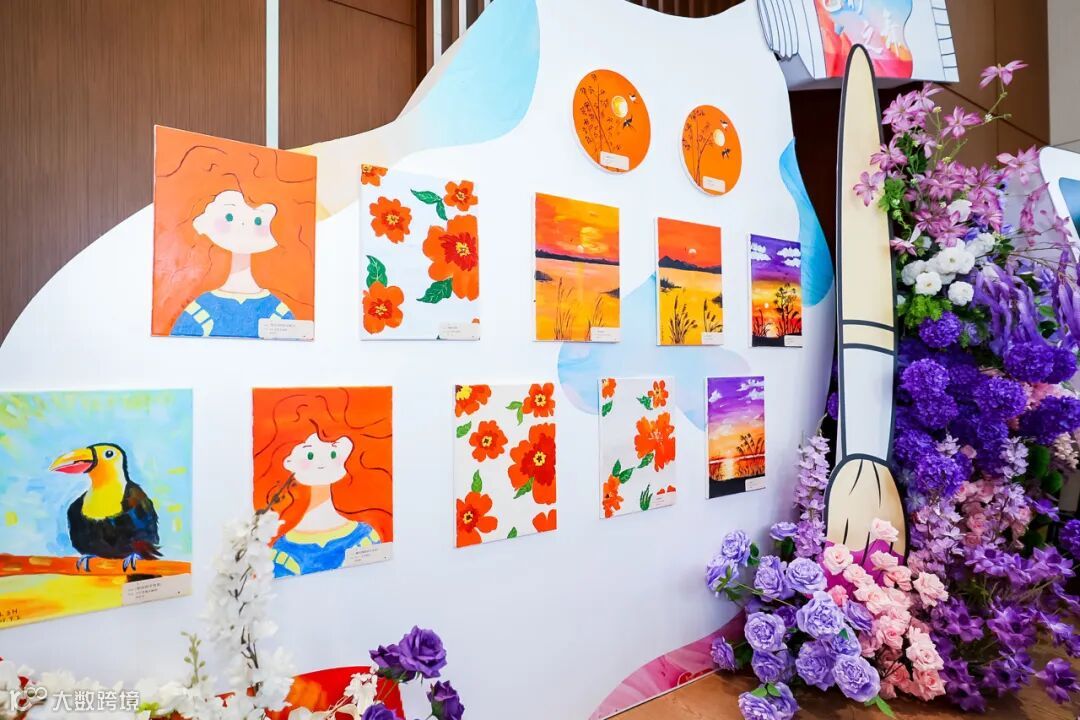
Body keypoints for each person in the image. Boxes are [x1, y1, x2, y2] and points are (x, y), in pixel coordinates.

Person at [253, 389, 393, 577]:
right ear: (288, 460)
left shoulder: (366, 538)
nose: (322, 462)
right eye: (310, 455)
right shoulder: (282, 554)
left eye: (333, 453)